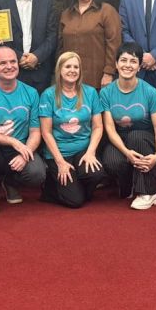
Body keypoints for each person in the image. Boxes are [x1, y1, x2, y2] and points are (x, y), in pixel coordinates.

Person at [0, 46, 47, 215]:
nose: (9, 66)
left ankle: (11, 182)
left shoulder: (31, 93)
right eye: (3, 63)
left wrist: (24, 153)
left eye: (13, 62)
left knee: (37, 174)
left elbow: (35, 132)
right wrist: (13, 141)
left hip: (18, 151)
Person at [98, 43, 156, 211]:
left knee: (136, 136)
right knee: (112, 161)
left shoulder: (149, 91)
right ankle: (128, 184)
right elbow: (110, 129)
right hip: (119, 139)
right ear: (116, 64)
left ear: (139, 67)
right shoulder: (106, 92)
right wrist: (126, 152)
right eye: (123, 60)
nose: (127, 65)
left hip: (144, 139)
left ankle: (148, 192)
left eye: (133, 61)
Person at [38, 52, 106, 209]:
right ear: (59, 70)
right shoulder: (48, 95)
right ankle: (52, 186)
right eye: (68, 66)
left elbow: (97, 127)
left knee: (96, 174)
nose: (72, 70)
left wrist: (91, 153)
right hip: (59, 153)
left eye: (76, 67)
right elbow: (46, 132)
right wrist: (60, 162)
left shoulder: (90, 93)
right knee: (75, 201)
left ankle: (75, 186)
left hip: (83, 151)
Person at [58, 0, 122, 89]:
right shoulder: (66, 14)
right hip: (70, 79)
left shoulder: (106, 11)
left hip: (98, 78)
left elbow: (114, 43)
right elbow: (60, 47)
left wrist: (109, 73)